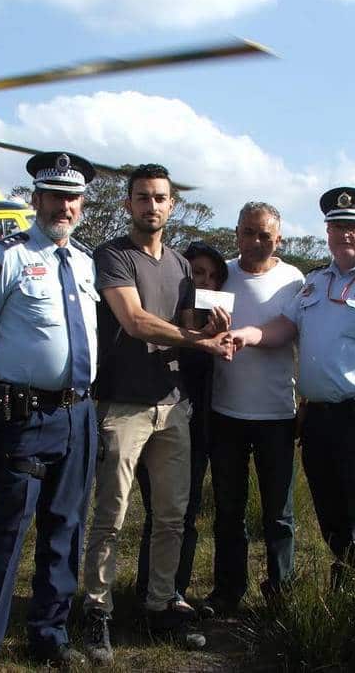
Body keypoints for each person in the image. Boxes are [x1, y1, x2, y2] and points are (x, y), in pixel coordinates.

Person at [230, 187, 355, 583]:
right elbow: (285, 326)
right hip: (317, 421)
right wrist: (247, 335)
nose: (344, 235)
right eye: (336, 227)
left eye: (353, 227)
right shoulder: (316, 282)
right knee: (331, 513)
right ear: (327, 232)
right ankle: (346, 593)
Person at [81, 164, 232, 665]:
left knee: (172, 515)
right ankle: (97, 609)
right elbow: (136, 320)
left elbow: (188, 326)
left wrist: (215, 329)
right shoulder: (112, 256)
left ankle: (160, 602)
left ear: (172, 205)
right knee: (112, 514)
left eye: (160, 198)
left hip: (173, 407)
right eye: (142, 197)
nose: (151, 206)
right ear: (128, 205)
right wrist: (197, 339)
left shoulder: (182, 267)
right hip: (122, 404)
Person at [0, 152, 99, 672]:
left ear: (82, 204)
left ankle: (49, 632)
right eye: (55, 194)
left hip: (78, 414)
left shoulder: (84, 262)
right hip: (23, 415)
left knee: (66, 526)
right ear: (35, 198)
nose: (65, 205)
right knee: (8, 529)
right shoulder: (8, 256)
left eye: (73, 196)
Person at [205, 202, 305, 614]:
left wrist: (248, 334)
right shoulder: (220, 274)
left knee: (278, 514)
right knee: (228, 510)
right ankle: (228, 591)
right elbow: (199, 328)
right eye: (248, 232)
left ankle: (281, 593)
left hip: (277, 415)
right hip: (225, 411)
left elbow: (292, 331)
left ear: (278, 238)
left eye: (265, 235)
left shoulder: (293, 280)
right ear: (237, 233)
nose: (256, 241)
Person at [133, 240, 229, 613]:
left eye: (212, 276)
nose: (204, 281)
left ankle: (174, 590)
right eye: (196, 273)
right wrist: (192, 335)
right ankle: (150, 591)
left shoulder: (217, 324)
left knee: (185, 513)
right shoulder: (166, 321)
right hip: (158, 419)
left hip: (200, 428)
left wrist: (218, 336)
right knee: (160, 511)